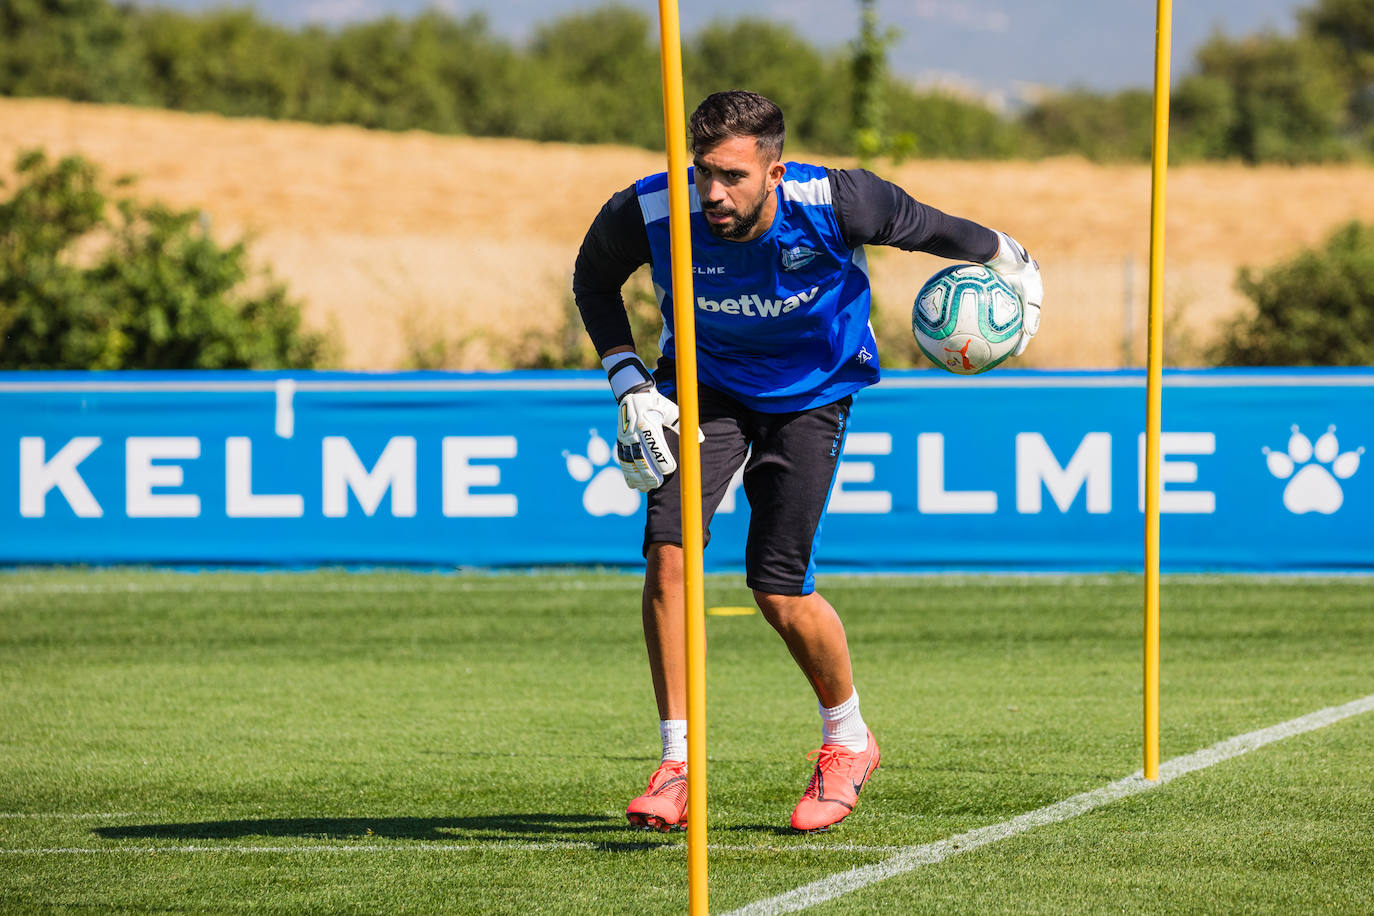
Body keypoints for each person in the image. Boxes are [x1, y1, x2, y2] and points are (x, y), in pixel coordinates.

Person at [572, 90, 1042, 833]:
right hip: (702, 384)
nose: (714, 192)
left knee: (777, 587)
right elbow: (593, 282)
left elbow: (934, 228)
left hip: (811, 393)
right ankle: (676, 764)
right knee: (668, 549)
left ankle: (848, 741)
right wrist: (627, 378)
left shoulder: (841, 201)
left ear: (776, 171)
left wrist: (1011, 259)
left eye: (732, 175)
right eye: (704, 174)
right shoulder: (651, 209)